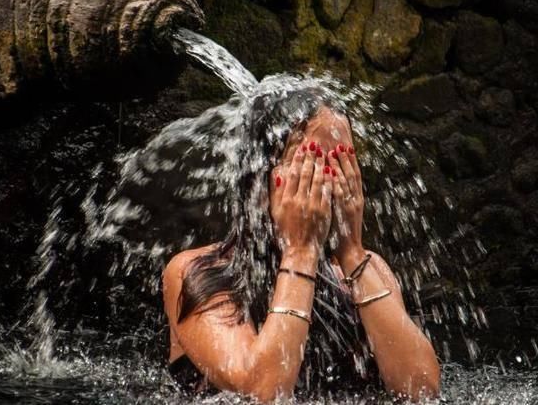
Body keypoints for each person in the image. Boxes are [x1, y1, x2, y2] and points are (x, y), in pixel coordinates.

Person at [162, 104, 441, 403]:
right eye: (312, 162)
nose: (329, 181)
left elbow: (421, 392)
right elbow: (262, 394)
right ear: (260, 178)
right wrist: (300, 252)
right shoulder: (200, 272)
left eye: (342, 162)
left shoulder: (369, 269)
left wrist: (351, 251)